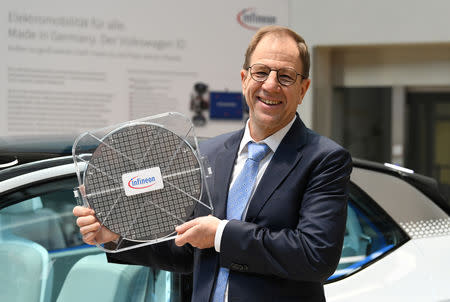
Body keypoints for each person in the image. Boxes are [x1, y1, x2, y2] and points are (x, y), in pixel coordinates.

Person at [74, 25, 352, 302]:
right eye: (261, 72)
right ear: (245, 79)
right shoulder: (209, 152)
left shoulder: (324, 159)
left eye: (286, 76)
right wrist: (114, 235)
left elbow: (316, 256)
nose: (270, 84)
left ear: (303, 89)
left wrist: (221, 233)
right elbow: (186, 249)